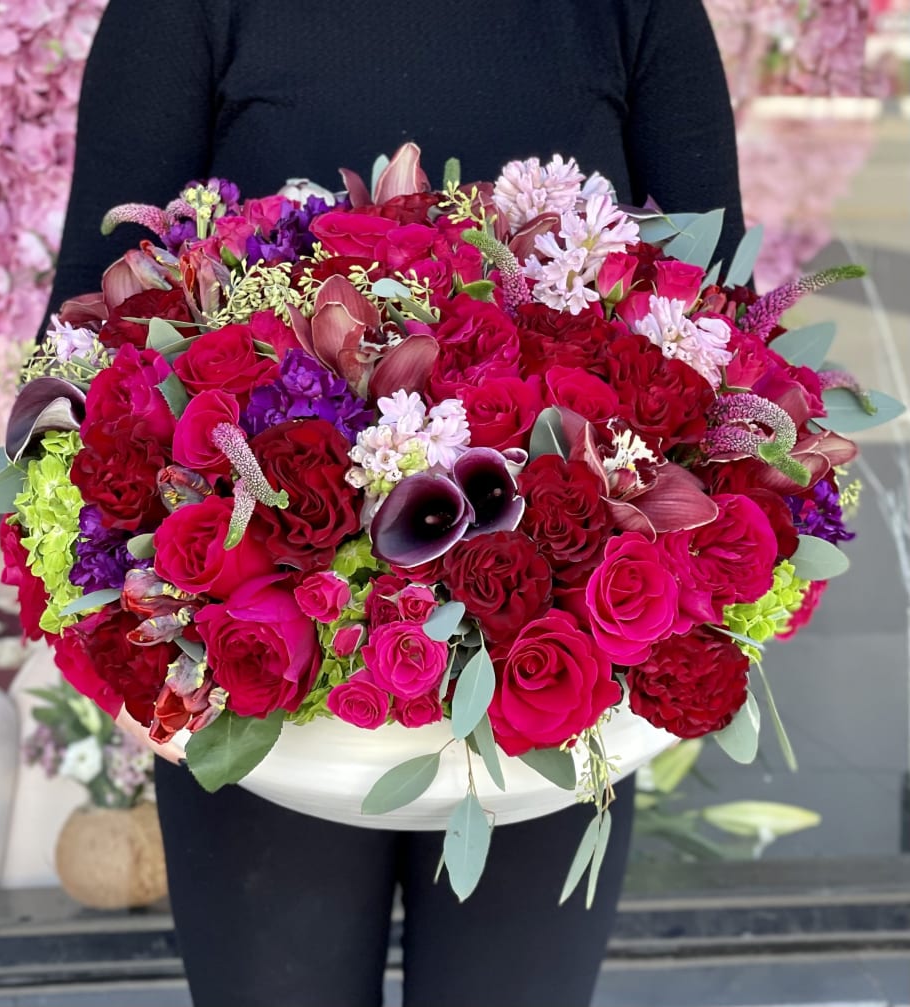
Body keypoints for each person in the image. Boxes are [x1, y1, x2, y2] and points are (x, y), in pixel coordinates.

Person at [41, 2, 745, 1004]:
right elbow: (88, 321)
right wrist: (115, 612)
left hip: (550, 669)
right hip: (265, 662)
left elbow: (716, 320)